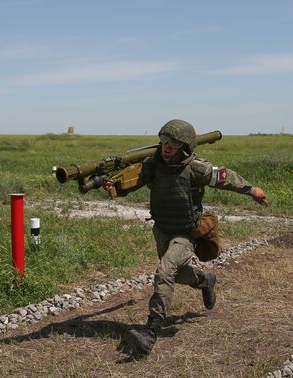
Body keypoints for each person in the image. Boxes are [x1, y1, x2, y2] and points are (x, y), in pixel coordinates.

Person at [105, 119, 267, 356]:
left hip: (186, 232)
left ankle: (151, 330)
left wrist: (252, 191)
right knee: (177, 274)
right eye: (163, 141)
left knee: (164, 270)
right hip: (161, 228)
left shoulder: (196, 168)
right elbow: (128, 183)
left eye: (172, 142)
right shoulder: (153, 165)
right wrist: (111, 185)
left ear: (185, 146)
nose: (166, 146)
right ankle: (205, 280)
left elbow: (226, 177)